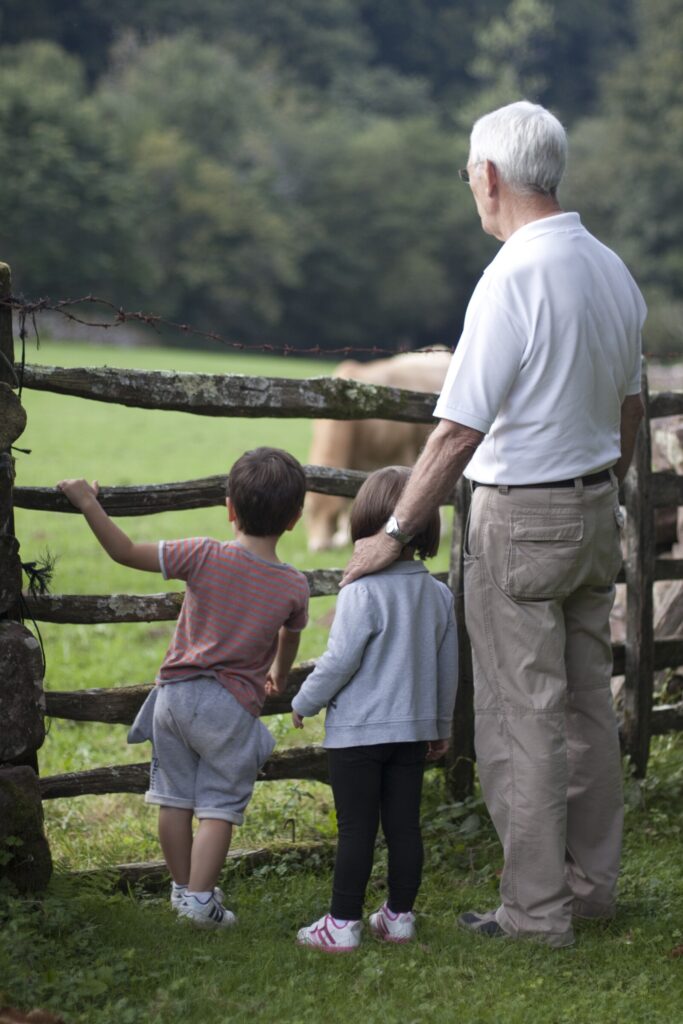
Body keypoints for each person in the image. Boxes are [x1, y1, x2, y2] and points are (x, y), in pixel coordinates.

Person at [342, 100, 646, 949]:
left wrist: (394, 532)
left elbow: (455, 432)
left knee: (523, 718)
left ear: (488, 177)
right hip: (594, 511)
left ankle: (535, 912)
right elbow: (627, 411)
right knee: (588, 709)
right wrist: (599, 486)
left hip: (522, 519)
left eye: (467, 175)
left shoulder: (513, 275)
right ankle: (589, 891)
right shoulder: (610, 268)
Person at [58, 446, 309, 929]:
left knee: (173, 797)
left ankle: (180, 889)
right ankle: (199, 902)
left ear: (230, 508)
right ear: (296, 518)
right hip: (230, 709)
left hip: (172, 697)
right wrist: (280, 672)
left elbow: (124, 552)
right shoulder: (293, 586)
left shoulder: (202, 554)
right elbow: (290, 638)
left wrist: (88, 502)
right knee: (219, 806)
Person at [292, 466, 458, 952]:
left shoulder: (360, 590)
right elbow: (448, 668)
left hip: (358, 736)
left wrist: (305, 700)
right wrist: (441, 726)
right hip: (410, 735)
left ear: (365, 521)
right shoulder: (439, 594)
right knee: (405, 825)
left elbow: (340, 661)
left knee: (356, 829)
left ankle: (342, 924)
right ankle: (398, 917)